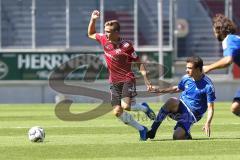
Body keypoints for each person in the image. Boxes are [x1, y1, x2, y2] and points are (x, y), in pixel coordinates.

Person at [87, 10, 156, 141]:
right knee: (117, 112)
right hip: (113, 82)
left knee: (126, 107)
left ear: (117, 32)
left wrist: (146, 80)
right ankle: (142, 129)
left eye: (109, 31)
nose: (106, 34)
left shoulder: (127, 46)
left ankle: (143, 108)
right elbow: (90, 33)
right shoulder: (103, 40)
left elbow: (138, 62)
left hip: (127, 79)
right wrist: (93, 19)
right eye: (105, 31)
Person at [147, 56, 216, 140]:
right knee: (171, 101)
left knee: (177, 137)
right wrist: (158, 90)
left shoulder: (208, 86)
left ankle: (186, 133)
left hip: (192, 114)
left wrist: (207, 123)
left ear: (198, 69)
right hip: (181, 106)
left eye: (190, 68)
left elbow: (210, 108)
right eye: (186, 67)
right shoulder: (186, 78)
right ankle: (152, 131)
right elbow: (177, 88)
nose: (187, 70)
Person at [203, 14, 240, 116]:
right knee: (236, 107)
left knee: (236, 107)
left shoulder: (229, 39)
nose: (214, 33)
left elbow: (228, 60)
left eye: (214, 30)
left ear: (219, 29)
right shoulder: (234, 39)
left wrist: (208, 67)